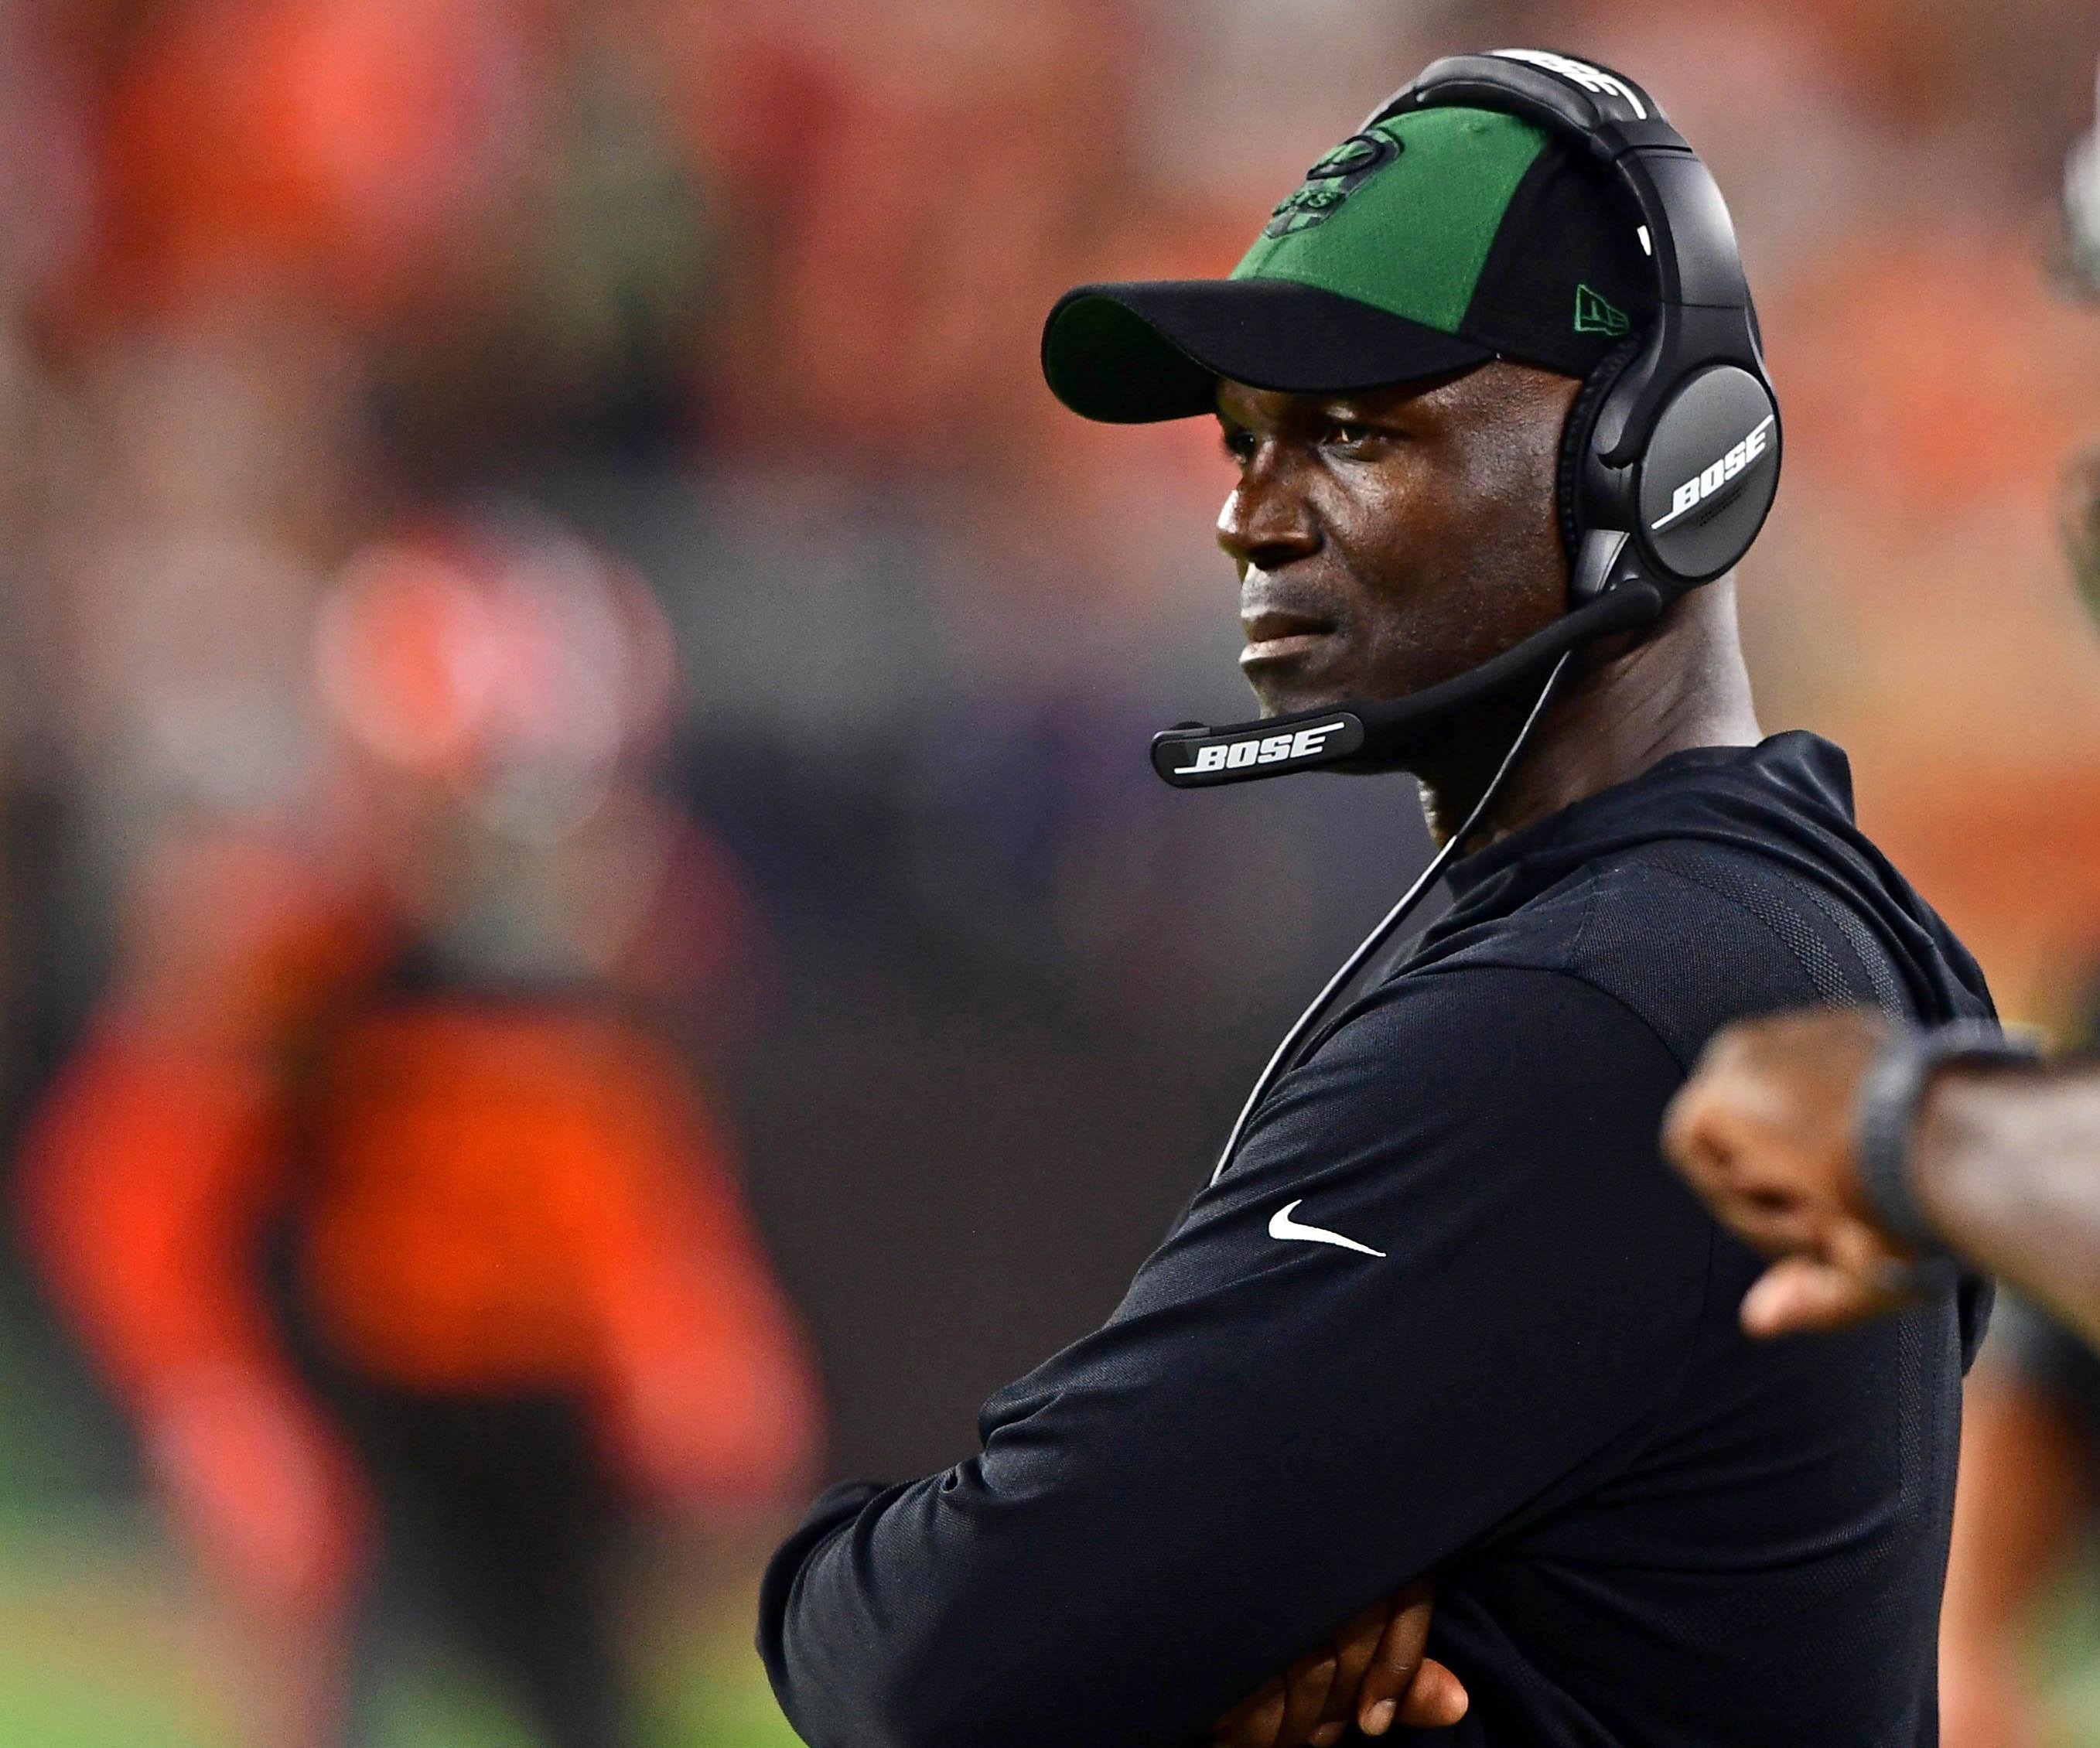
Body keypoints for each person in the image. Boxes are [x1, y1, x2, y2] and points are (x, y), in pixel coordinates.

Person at [759, 51, 1998, 1748]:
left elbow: (921, 1663)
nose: (1246, 520)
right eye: (1241, 441)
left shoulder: (1589, 1012)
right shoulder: (1814, 923)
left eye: (1351, 432)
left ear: (1659, 457)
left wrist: (838, 1575)